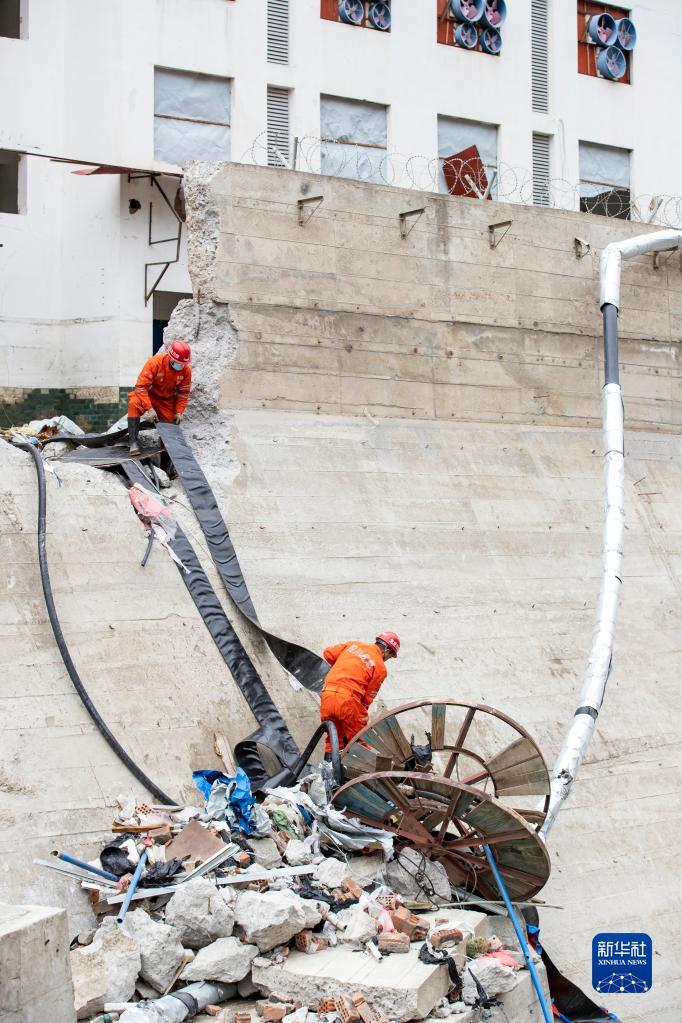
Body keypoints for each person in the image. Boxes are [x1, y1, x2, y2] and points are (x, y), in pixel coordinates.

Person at [320, 632, 400, 752]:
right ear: (387, 651)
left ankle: (328, 769)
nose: (386, 660)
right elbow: (366, 700)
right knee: (360, 741)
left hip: (327, 696)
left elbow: (328, 654)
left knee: (333, 740)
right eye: (389, 657)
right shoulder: (380, 667)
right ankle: (360, 770)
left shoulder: (353, 645)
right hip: (348, 701)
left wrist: (346, 665)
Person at [127, 340, 192, 455]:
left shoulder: (186, 371)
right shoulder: (155, 363)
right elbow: (141, 387)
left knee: (171, 424)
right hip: (149, 396)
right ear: (170, 357)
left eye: (183, 364)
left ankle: (166, 455)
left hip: (166, 401)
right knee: (134, 403)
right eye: (178, 363)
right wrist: (149, 409)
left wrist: (179, 412)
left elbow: (183, 393)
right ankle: (133, 442)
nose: (180, 366)